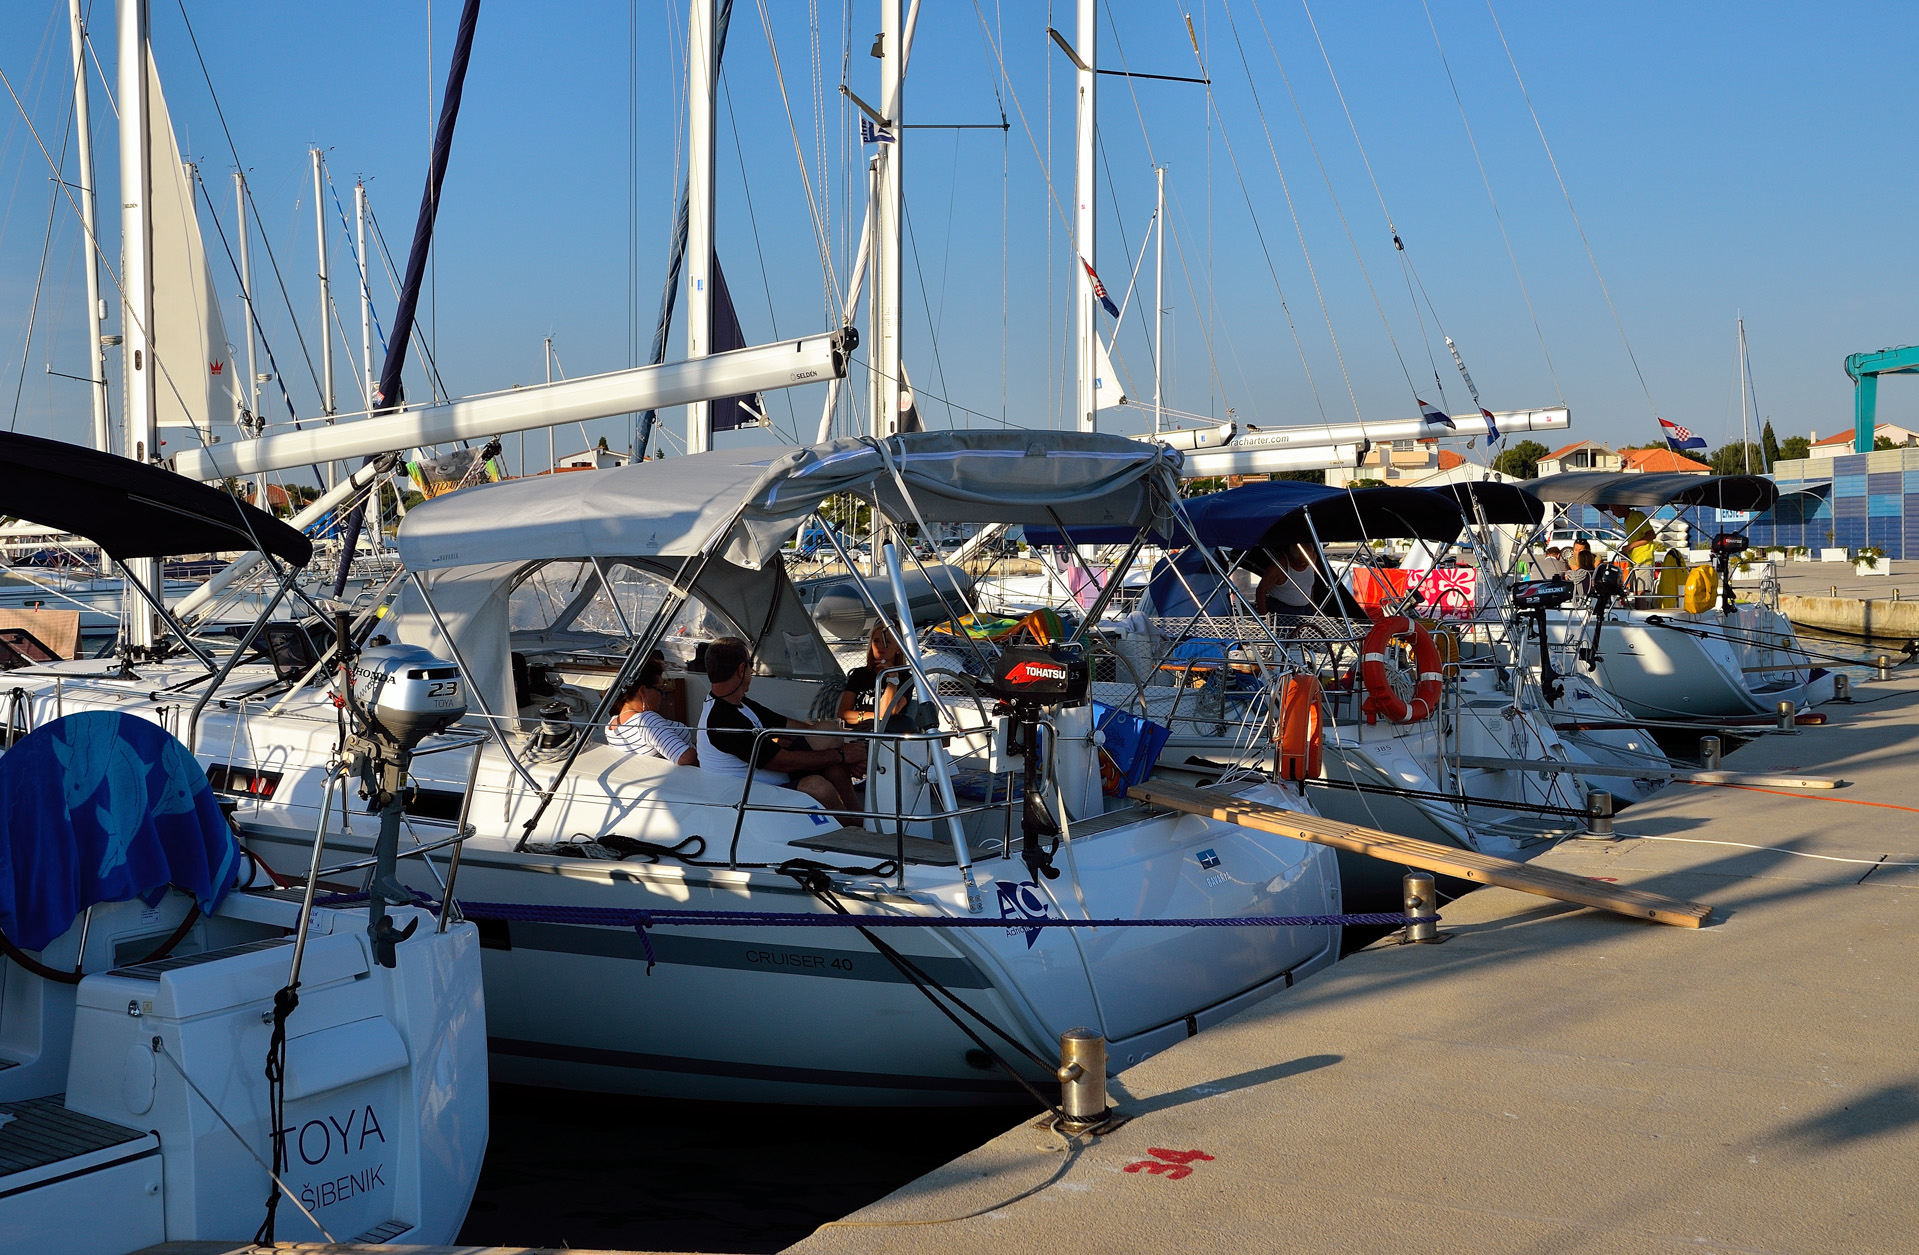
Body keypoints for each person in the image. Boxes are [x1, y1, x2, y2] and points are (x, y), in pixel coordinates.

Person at [697, 637, 866, 816]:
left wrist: (843, 750)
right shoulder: (722, 719)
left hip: (773, 778)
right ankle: (852, 827)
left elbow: (791, 729)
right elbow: (783, 762)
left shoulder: (741, 704)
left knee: (828, 731)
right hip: (749, 793)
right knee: (818, 787)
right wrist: (842, 755)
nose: (752, 669)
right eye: (750, 664)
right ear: (741, 669)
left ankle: (860, 817)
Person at [607, 653, 697, 766]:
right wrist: (709, 753)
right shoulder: (646, 720)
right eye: (660, 689)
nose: (663, 695)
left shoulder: (613, 723)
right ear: (643, 691)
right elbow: (684, 758)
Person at [839, 623, 907, 729]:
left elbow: (887, 714)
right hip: (855, 731)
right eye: (876, 641)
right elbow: (843, 714)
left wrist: (892, 679)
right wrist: (874, 716)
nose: (880, 646)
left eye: (887, 642)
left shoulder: (905, 678)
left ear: (898, 648)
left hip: (884, 735)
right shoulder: (859, 674)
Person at [1256, 543, 1320, 616]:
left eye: (1307, 561)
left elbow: (1309, 586)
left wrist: (1313, 610)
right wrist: (1264, 618)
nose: (1305, 564)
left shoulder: (1312, 560)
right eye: (1301, 562)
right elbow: (1261, 590)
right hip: (1282, 610)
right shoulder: (1279, 566)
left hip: (1306, 609)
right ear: (1292, 557)